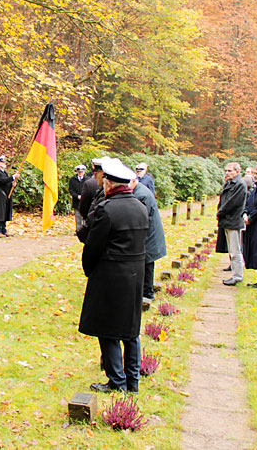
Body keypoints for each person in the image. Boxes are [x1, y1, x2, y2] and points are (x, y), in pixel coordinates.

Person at [79, 158, 148, 394]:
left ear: (109, 184)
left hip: (110, 276)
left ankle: (117, 381)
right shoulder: (140, 206)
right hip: (135, 275)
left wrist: (90, 271)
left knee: (108, 329)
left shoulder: (106, 209)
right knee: (130, 330)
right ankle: (133, 381)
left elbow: (92, 246)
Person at [129, 175, 166, 310]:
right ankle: (145, 293)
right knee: (146, 265)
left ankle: (147, 294)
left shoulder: (141, 195)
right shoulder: (140, 192)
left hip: (149, 237)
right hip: (149, 236)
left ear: (134, 181)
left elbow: (141, 218)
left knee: (147, 265)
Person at [217, 162, 247, 286]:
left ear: (237, 172)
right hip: (227, 220)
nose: (227, 173)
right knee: (232, 250)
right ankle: (235, 274)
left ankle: (237, 276)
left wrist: (220, 212)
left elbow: (231, 203)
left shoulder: (240, 185)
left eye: (230, 171)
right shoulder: (229, 184)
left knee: (235, 250)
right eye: (226, 171)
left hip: (233, 220)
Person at [76, 156, 110, 242]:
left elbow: (83, 208)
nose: (94, 177)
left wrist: (88, 220)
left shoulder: (89, 183)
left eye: (96, 173)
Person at [0, 155, 19, 238]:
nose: (4, 163)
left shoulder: (4, 172)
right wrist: (12, 177)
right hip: (0, 194)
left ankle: (4, 230)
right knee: (0, 212)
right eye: (2, 162)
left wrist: (12, 184)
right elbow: (1, 181)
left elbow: (6, 182)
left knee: (5, 212)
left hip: (7, 194)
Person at [68, 164, 91, 232]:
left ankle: (85, 230)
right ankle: (78, 230)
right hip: (76, 201)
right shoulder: (72, 179)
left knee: (85, 216)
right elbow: (71, 190)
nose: (80, 173)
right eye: (79, 172)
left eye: (82, 172)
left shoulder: (88, 179)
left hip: (85, 201)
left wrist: (84, 196)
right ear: (77, 172)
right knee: (78, 217)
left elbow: (89, 189)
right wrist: (77, 196)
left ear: (84, 172)